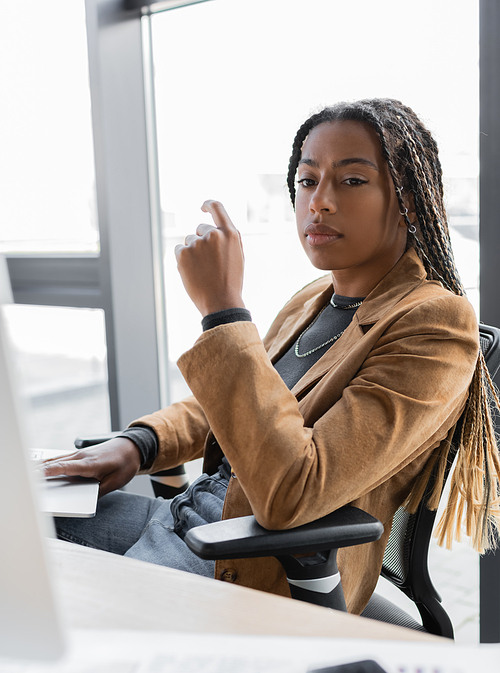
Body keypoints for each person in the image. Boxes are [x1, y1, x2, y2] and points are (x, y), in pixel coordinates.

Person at [45, 98, 500, 615]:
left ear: (410, 202)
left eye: (351, 181)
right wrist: (140, 443)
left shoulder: (435, 325)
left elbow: (296, 493)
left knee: (64, 621)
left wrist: (222, 312)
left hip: (255, 560)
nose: (319, 202)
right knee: (21, 517)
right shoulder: (313, 298)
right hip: (190, 516)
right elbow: (240, 400)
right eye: (307, 181)